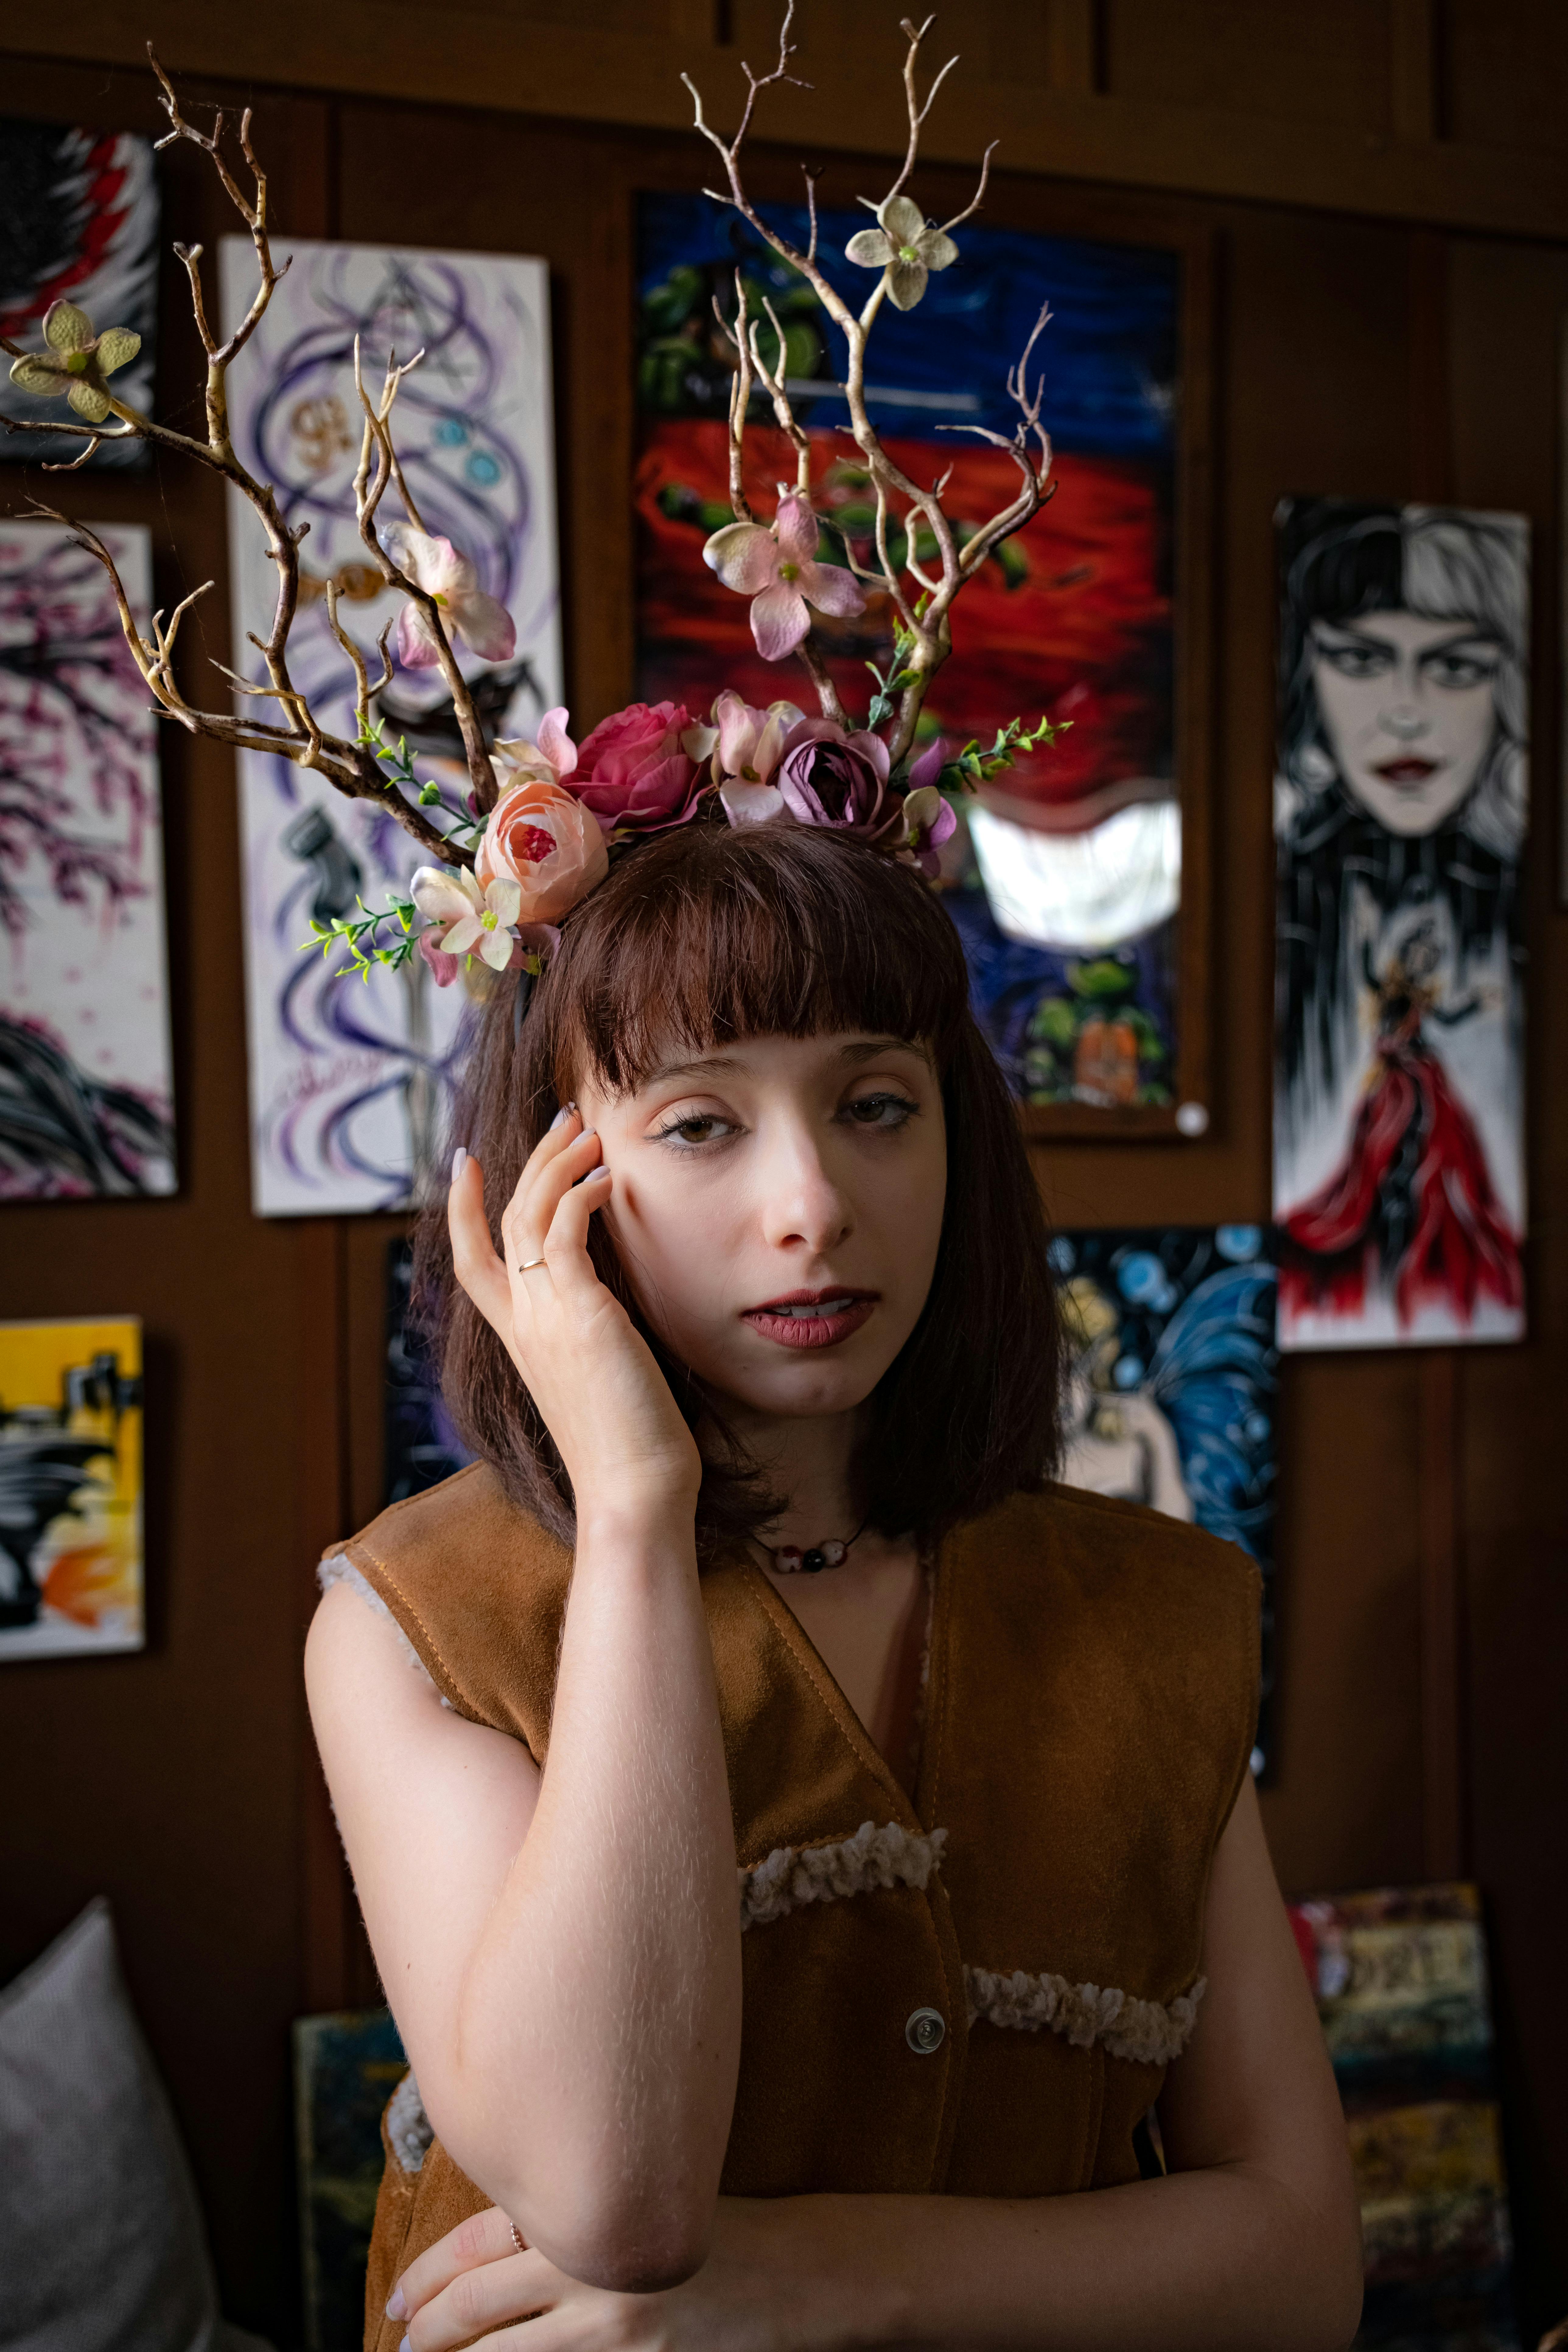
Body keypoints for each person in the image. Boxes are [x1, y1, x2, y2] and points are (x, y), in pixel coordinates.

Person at [306, 821, 1363, 2352]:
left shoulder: (1156, 1608)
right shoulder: (418, 1624)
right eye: (697, 1127)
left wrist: (826, 2281)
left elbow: (1298, 2270)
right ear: (556, 1181)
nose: (812, 1201)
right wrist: (633, 1509)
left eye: (876, 1105)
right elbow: (619, 2204)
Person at [1274, 499, 1527, 1333]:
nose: (1408, 711)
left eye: (1456, 668)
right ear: (1308, 672)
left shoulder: (1501, 896)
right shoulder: (1296, 893)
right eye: (1361, 661)